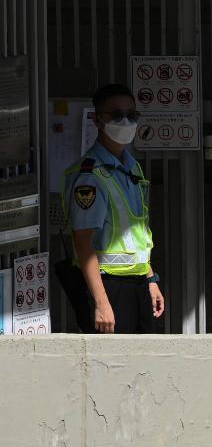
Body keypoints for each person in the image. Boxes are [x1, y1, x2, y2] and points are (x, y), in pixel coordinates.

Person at [60, 83, 165, 334]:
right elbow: (83, 242)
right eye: (117, 115)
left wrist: (150, 279)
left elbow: (135, 233)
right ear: (97, 120)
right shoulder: (90, 177)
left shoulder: (132, 168)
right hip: (108, 287)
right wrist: (101, 302)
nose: (126, 122)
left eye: (132, 115)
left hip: (137, 284)